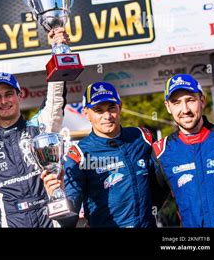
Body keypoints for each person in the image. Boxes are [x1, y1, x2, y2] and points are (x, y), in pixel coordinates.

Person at [42, 82, 166, 227]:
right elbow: (69, 221)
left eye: (111, 108)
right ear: (86, 113)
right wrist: (57, 196)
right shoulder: (79, 155)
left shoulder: (142, 137)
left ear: (120, 107)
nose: (107, 116)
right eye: (98, 110)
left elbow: (161, 184)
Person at [0, 27, 69, 228]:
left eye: (9, 94)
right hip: (11, 222)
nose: (3, 101)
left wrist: (59, 48)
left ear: (20, 95)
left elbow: (56, 97)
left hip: (50, 217)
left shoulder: (39, 127)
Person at [152, 74, 214, 227]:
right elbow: (148, 203)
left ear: (202, 101)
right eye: (176, 102)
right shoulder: (162, 151)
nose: (185, 109)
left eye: (190, 100)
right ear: (168, 107)